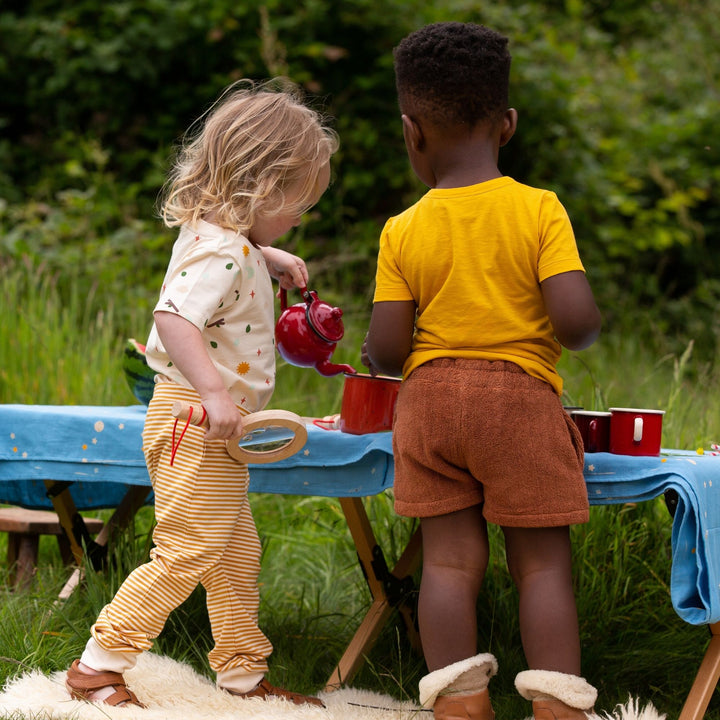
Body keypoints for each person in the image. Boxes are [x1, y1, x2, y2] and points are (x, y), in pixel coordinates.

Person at [65, 79, 338, 708]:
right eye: (299, 203)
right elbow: (174, 318)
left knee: (236, 552)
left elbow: (225, 252)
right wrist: (215, 393)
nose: (303, 216)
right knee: (187, 551)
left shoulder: (221, 239)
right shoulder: (220, 250)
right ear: (262, 187)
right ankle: (99, 664)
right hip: (200, 421)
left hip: (213, 428)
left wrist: (265, 253)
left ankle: (242, 672)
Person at [362, 22, 602, 720]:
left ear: (412, 131)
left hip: (429, 406)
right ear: (508, 124)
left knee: (448, 564)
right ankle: (558, 709)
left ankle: (460, 707)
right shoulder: (538, 209)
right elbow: (577, 322)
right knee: (542, 565)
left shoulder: (402, 228)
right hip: (519, 404)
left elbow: (385, 349)